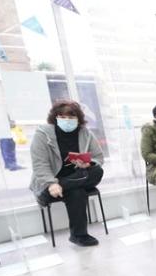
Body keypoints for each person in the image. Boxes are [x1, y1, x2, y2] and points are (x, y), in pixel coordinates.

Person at [29, 99, 104, 246]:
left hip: (77, 175)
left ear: (78, 119)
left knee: (97, 171)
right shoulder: (43, 134)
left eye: (71, 117)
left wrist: (89, 163)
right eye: (62, 117)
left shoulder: (85, 133)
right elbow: (39, 164)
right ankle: (79, 235)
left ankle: (50, 194)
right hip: (51, 180)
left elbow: (98, 157)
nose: (67, 120)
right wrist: (51, 183)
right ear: (55, 118)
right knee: (77, 192)